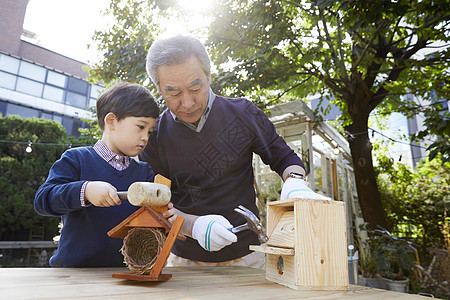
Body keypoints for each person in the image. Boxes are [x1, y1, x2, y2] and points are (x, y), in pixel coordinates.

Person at [140, 34, 328, 269]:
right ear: (159, 89)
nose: (187, 103)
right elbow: (153, 202)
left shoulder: (243, 113)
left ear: (209, 76)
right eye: (173, 93)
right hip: (183, 260)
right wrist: (193, 226)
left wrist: (295, 183)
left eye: (195, 87)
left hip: (248, 256)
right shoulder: (154, 134)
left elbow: (284, 158)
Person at [34, 82, 160, 267]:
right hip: (73, 273)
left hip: (124, 275)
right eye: (140, 127)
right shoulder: (76, 159)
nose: (145, 137)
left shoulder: (145, 173)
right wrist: (85, 190)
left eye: (150, 131)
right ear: (111, 121)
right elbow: (43, 199)